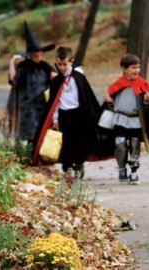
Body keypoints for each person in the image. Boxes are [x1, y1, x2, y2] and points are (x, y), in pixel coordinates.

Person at [32, 46, 103, 178]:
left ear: (72, 61)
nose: (62, 67)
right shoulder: (56, 82)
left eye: (65, 64)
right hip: (64, 116)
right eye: (59, 64)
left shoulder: (79, 78)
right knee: (67, 142)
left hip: (79, 114)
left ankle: (79, 164)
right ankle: (69, 167)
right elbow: (54, 103)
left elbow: (87, 98)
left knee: (81, 141)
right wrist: (55, 119)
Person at [104, 53, 149, 185]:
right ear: (124, 69)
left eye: (138, 67)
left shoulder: (142, 84)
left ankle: (134, 171)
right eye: (133, 68)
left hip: (136, 120)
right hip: (120, 119)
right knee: (120, 143)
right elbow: (112, 100)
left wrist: (146, 100)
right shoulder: (118, 84)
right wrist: (109, 100)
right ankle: (122, 168)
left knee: (135, 145)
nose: (136, 70)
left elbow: (147, 106)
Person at [0, 21, 57, 144]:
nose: (39, 58)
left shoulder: (45, 66)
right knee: (26, 133)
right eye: (36, 56)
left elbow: (54, 77)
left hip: (40, 104)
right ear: (30, 55)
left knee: (39, 133)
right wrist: (12, 62)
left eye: (40, 55)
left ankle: (35, 157)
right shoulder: (23, 66)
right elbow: (12, 79)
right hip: (26, 105)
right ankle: (25, 155)